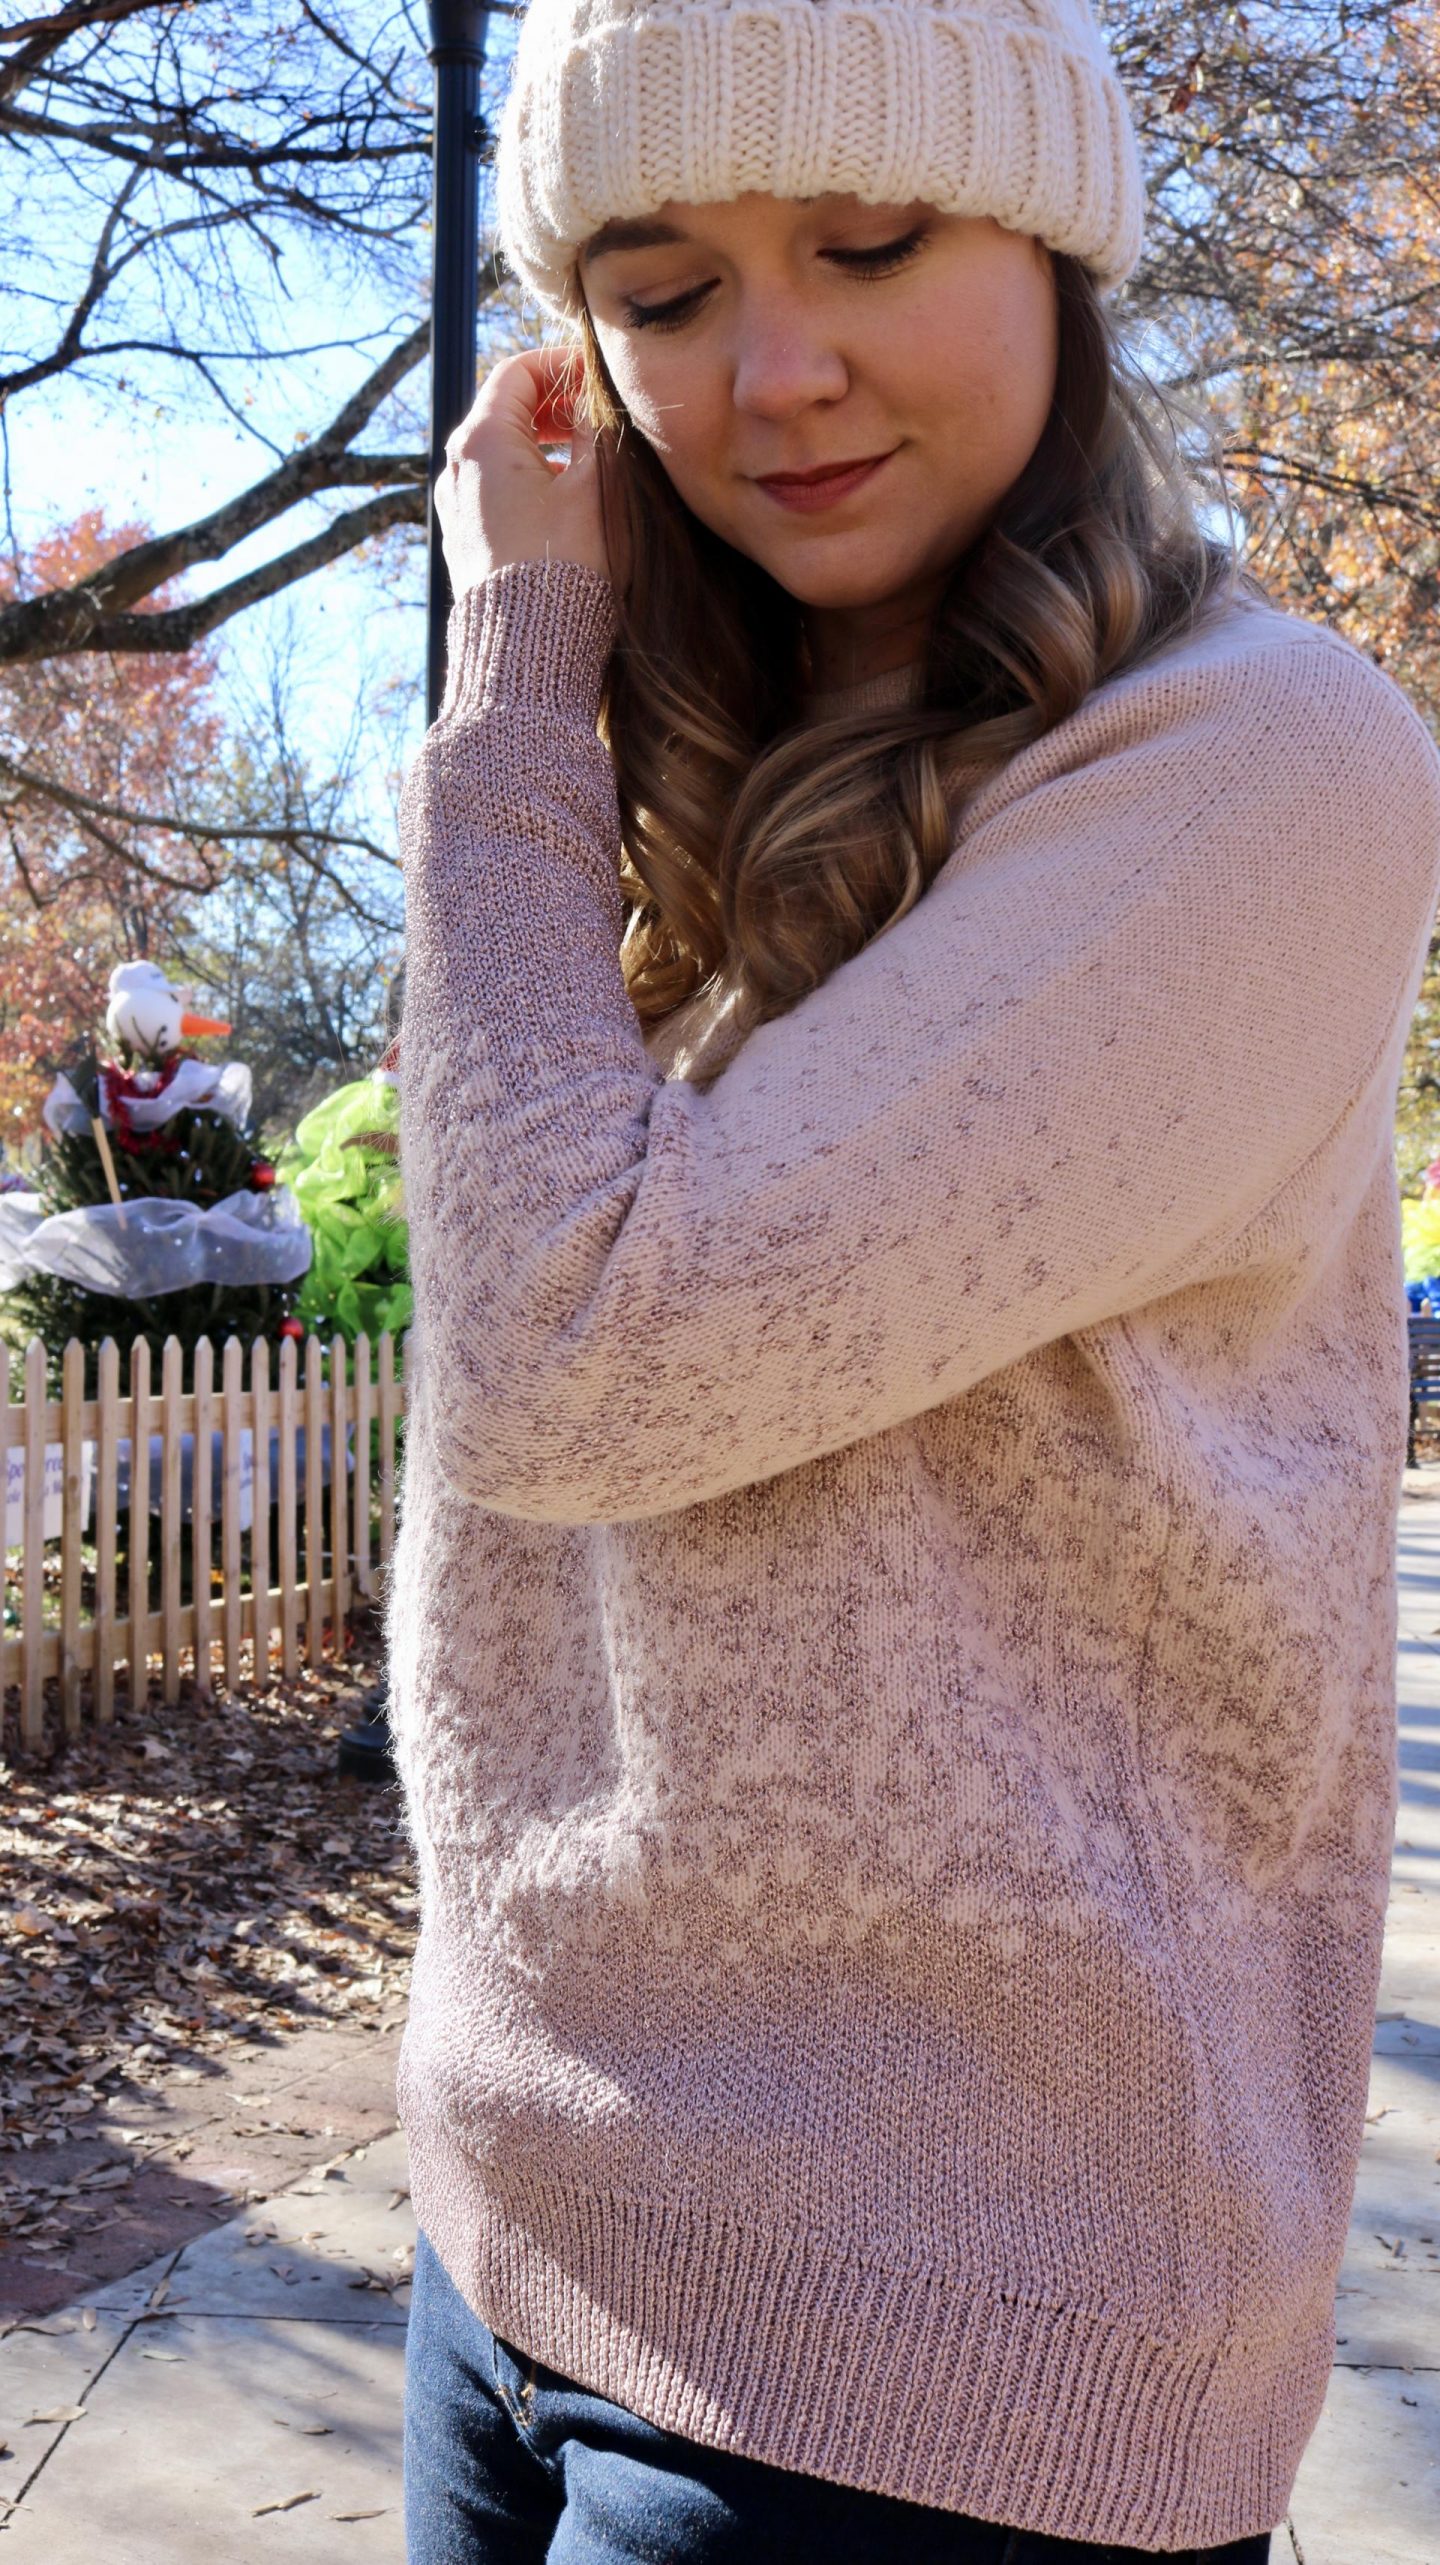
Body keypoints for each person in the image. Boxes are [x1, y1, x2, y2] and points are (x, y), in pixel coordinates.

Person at [386, 0, 1440, 2556]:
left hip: (933, 2363)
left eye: (869, 241)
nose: (770, 370)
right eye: (655, 289)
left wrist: (514, 670)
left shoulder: (1259, 763)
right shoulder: (696, 769)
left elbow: (574, 1352)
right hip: (511, 2213)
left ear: (1061, 252)